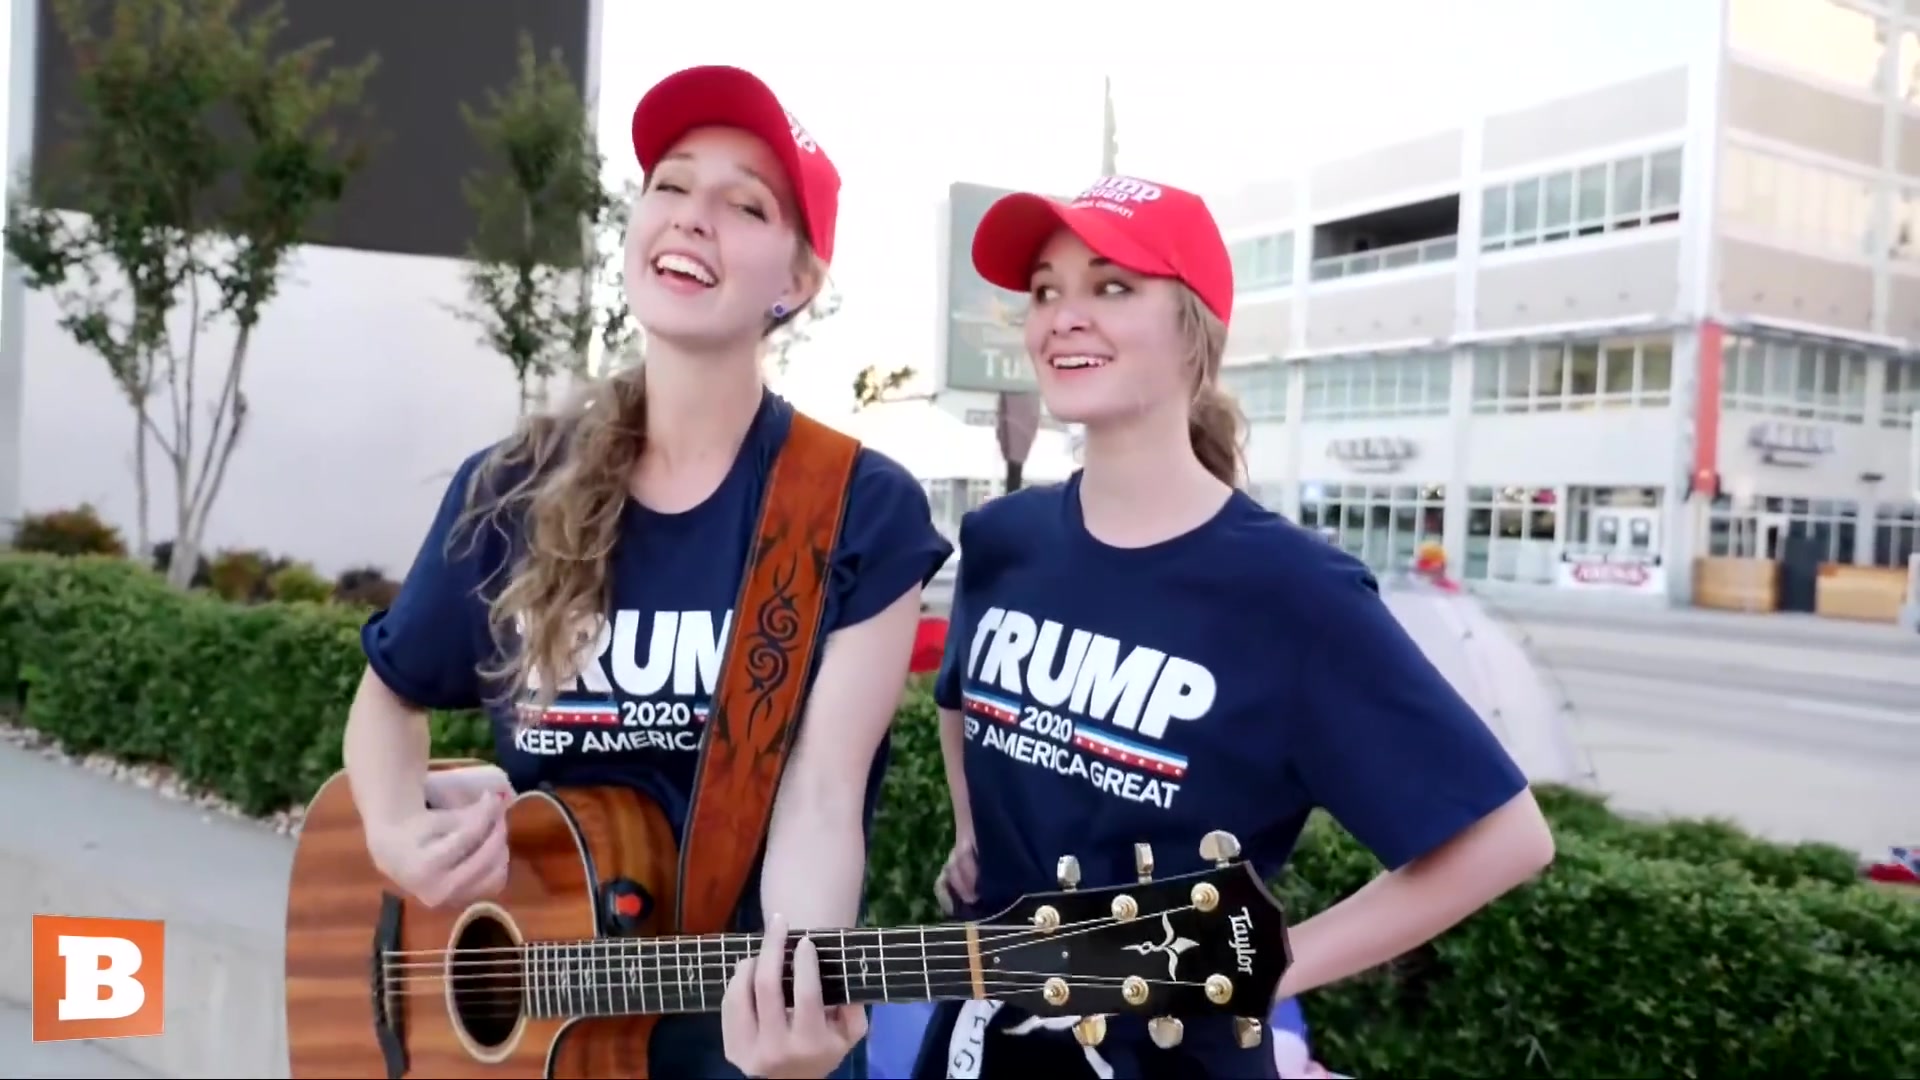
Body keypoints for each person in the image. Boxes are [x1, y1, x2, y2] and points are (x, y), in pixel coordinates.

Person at [340, 64, 954, 1080]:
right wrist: (395, 830)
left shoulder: (856, 508)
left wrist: (787, 1011)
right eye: (670, 185)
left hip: (735, 1047)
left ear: (796, 282)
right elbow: (389, 697)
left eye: (745, 204)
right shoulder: (509, 488)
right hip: (523, 1048)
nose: (692, 218)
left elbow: (822, 797)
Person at [913, 175, 1556, 1079]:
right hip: (982, 1046)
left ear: (1196, 335)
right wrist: (973, 830)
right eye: (1047, 291)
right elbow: (958, 700)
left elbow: (1506, 839)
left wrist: (1260, 965)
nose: (1062, 316)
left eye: (1111, 286)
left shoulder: (1292, 593)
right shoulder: (1002, 540)